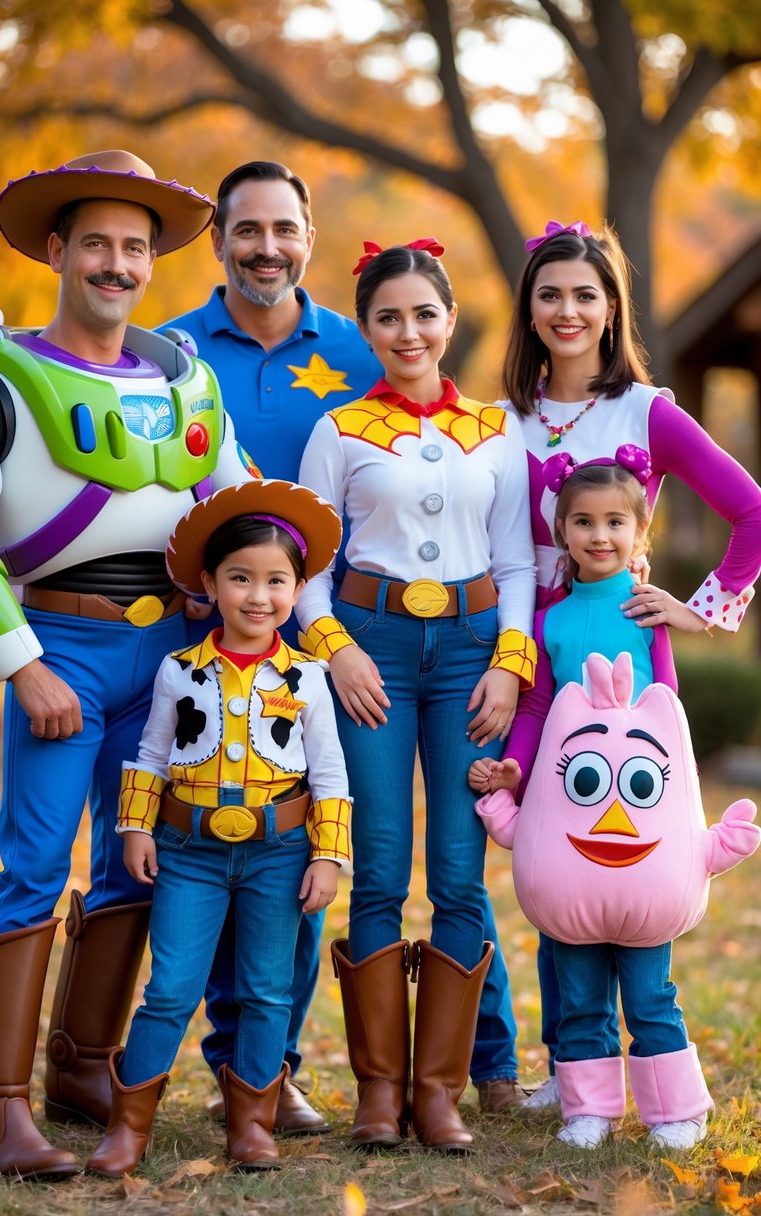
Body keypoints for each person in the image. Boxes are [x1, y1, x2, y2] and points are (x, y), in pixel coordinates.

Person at [0, 150, 256, 1179]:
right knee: (34, 868)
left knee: (132, 862)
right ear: (59, 251)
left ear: (152, 261)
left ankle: (82, 1064)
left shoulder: (188, 383)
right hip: (58, 647)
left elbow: (237, 505)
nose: (116, 264)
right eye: (97, 244)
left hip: (169, 664)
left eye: (135, 246)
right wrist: (22, 665)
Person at [487, 218, 761, 1114]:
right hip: (537, 655)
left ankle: (657, 1073)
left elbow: (750, 511)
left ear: (611, 310)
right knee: (553, 865)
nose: (567, 311)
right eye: (550, 295)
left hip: (633, 672)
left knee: (631, 860)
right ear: (528, 309)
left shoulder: (648, 412)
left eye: (585, 295)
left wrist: (701, 608)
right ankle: (572, 1073)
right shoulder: (502, 422)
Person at [295, 238, 537, 1152]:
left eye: (423, 314)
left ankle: (439, 1092)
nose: (407, 331)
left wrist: (509, 665)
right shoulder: (339, 430)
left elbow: (517, 559)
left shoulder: (495, 431)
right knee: (382, 863)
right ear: (365, 328)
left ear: (449, 320)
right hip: (375, 655)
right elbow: (307, 567)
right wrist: (337, 653)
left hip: (472, 653)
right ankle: (378, 1091)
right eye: (387, 317)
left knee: (459, 870)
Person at [162, 161, 380, 1132]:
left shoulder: (357, 349)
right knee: (204, 845)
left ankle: (272, 1061)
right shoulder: (168, 355)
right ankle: (214, 1058)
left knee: (298, 860)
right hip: (200, 646)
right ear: (216, 242)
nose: (265, 247)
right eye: (245, 230)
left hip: (322, 651)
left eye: (283, 228)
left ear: (309, 237)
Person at [472, 463, 759, 1148]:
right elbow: (538, 703)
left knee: (648, 984)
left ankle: (674, 1110)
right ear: (561, 532)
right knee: (577, 982)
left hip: (640, 808)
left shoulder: (645, 608)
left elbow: (664, 708)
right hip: (570, 800)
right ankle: (588, 1107)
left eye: (613, 522)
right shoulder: (550, 622)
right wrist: (517, 765)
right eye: (582, 522)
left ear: (637, 534)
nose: (598, 535)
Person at [87, 479, 351, 1173]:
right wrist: (137, 829)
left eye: (275, 581)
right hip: (189, 852)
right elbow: (149, 754)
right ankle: (128, 1127)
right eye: (239, 578)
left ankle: (251, 1125)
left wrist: (327, 857)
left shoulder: (308, 678)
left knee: (267, 986)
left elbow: (328, 774)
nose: (257, 597)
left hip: (279, 851)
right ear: (208, 583)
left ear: (297, 589)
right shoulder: (181, 670)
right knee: (171, 985)